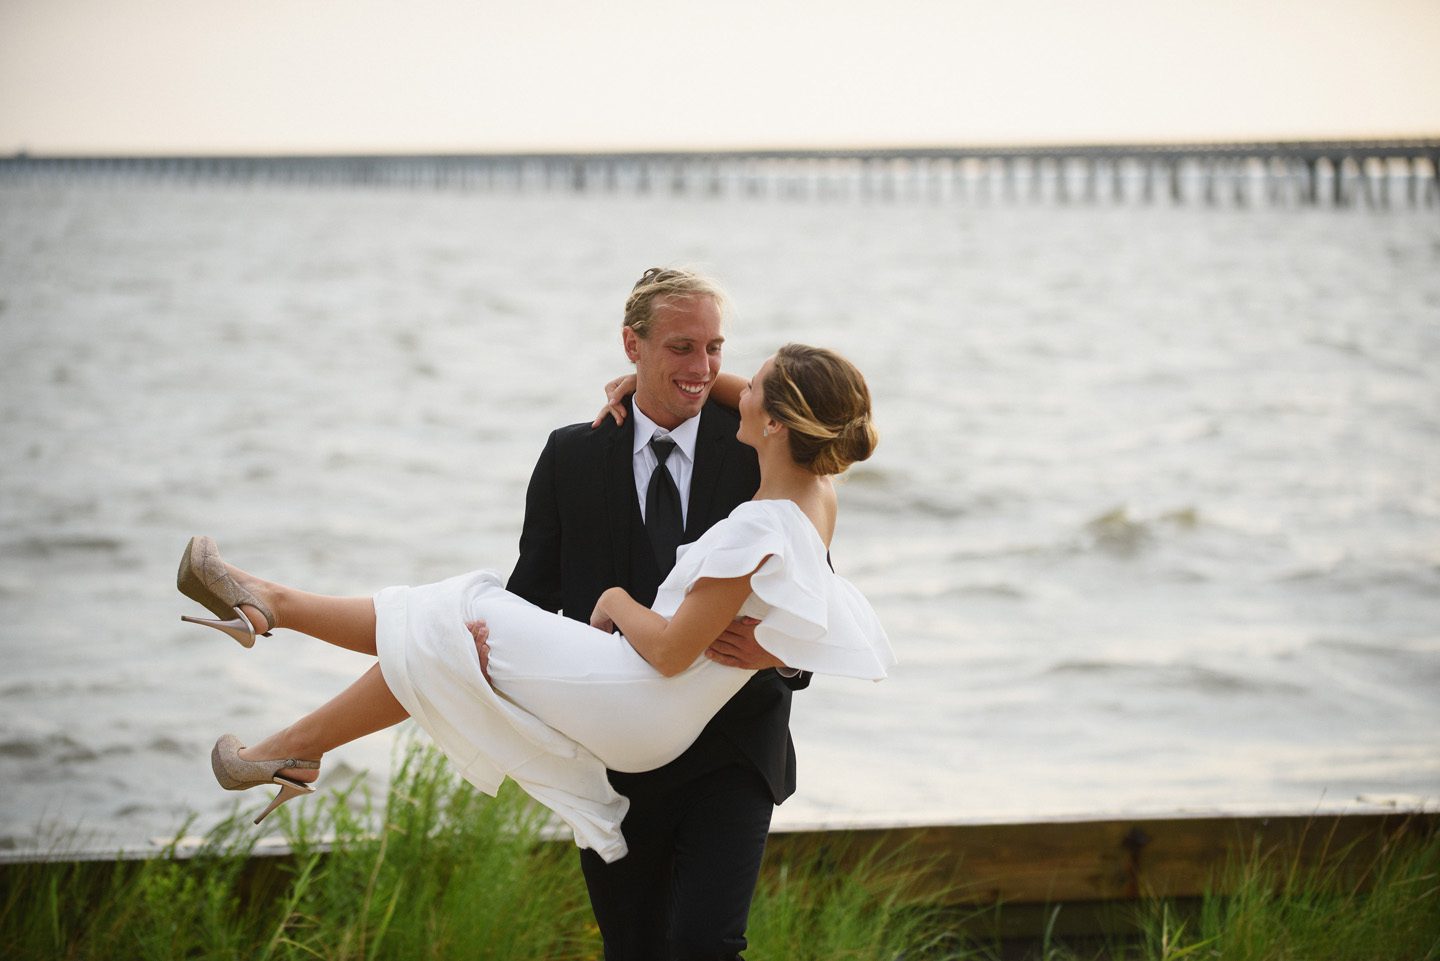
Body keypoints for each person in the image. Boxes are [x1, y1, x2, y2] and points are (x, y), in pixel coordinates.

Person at [177, 340, 890, 954]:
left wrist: (615, 600)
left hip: (645, 699)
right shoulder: (816, 498)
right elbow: (833, 612)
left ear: (774, 420)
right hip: (649, 709)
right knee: (450, 634)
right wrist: (650, 384)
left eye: (746, 380)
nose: (724, 384)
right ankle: (286, 710)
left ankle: (271, 611)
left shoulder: (756, 526)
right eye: (691, 352)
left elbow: (673, 652)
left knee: (458, 612)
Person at [505, 267, 812, 961]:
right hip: (612, 754)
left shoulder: (760, 451)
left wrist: (779, 652)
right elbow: (531, 601)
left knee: (707, 944)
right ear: (631, 345)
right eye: (680, 347)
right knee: (632, 947)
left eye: (714, 348)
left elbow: (815, 596)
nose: (701, 366)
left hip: (735, 747)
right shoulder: (571, 456)